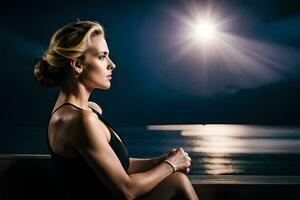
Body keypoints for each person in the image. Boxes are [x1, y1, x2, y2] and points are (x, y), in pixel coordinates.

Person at [33, 20, 199, 200]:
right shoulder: (76, 120)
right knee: (177, 181)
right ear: (77, 65)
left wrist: (160, 161)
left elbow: (118, 166)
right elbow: (127, 191)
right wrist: (170, 165)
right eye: (102, 56)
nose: (112, 64)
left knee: (176, 180)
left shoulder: (88, 111)